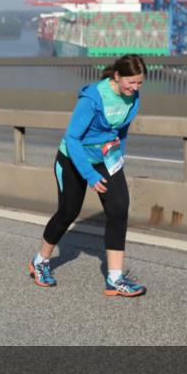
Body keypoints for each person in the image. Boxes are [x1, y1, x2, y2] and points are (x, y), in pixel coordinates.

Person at [28, 53, 147, 297]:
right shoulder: (93, 97)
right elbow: (73, 138)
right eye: (131, 82)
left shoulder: (132, 98)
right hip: (73, 159)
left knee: (119, 209)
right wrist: (90, 175)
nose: (135, 88)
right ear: (117, 76)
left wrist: (117, 159)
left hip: (105, 158)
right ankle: (40, 261)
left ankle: (114, 279)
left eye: (139, 83)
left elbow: (120, 131)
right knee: (68, 212)